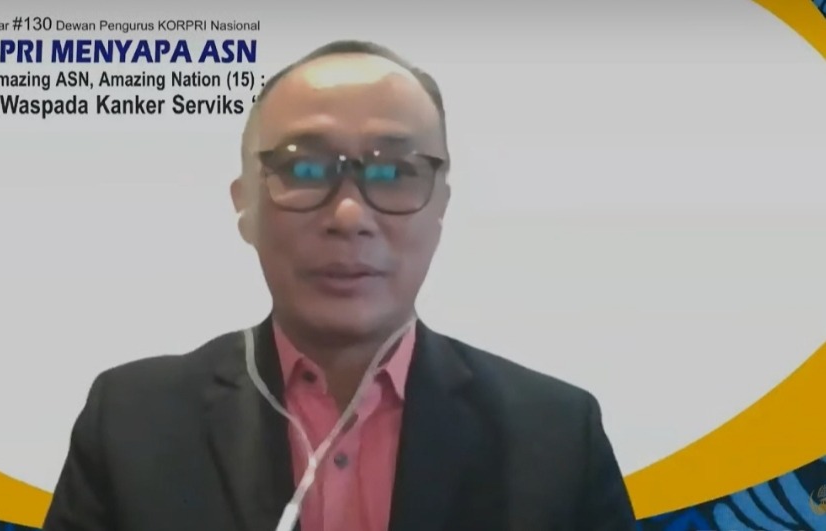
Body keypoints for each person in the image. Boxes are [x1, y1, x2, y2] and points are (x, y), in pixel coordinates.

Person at [42, 40, 638, 531]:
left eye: (394, 171)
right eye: (304, 168)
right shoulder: (132, 422)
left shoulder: (558, 436)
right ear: (244, 206)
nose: (349, 215)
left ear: (440, 209)